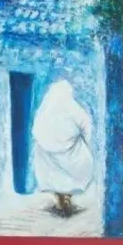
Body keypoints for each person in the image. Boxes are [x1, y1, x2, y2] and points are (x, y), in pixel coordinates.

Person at [31, 78, 94, 217]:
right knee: (71, 172)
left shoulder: (45, 110)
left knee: (53, 174)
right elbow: (86, 124)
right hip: (71, 152)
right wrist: (85, 140)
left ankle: (60, 200)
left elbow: (36, 130)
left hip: (48, 155)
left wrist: (48, 142)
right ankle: (67, 198)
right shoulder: (72, 107)